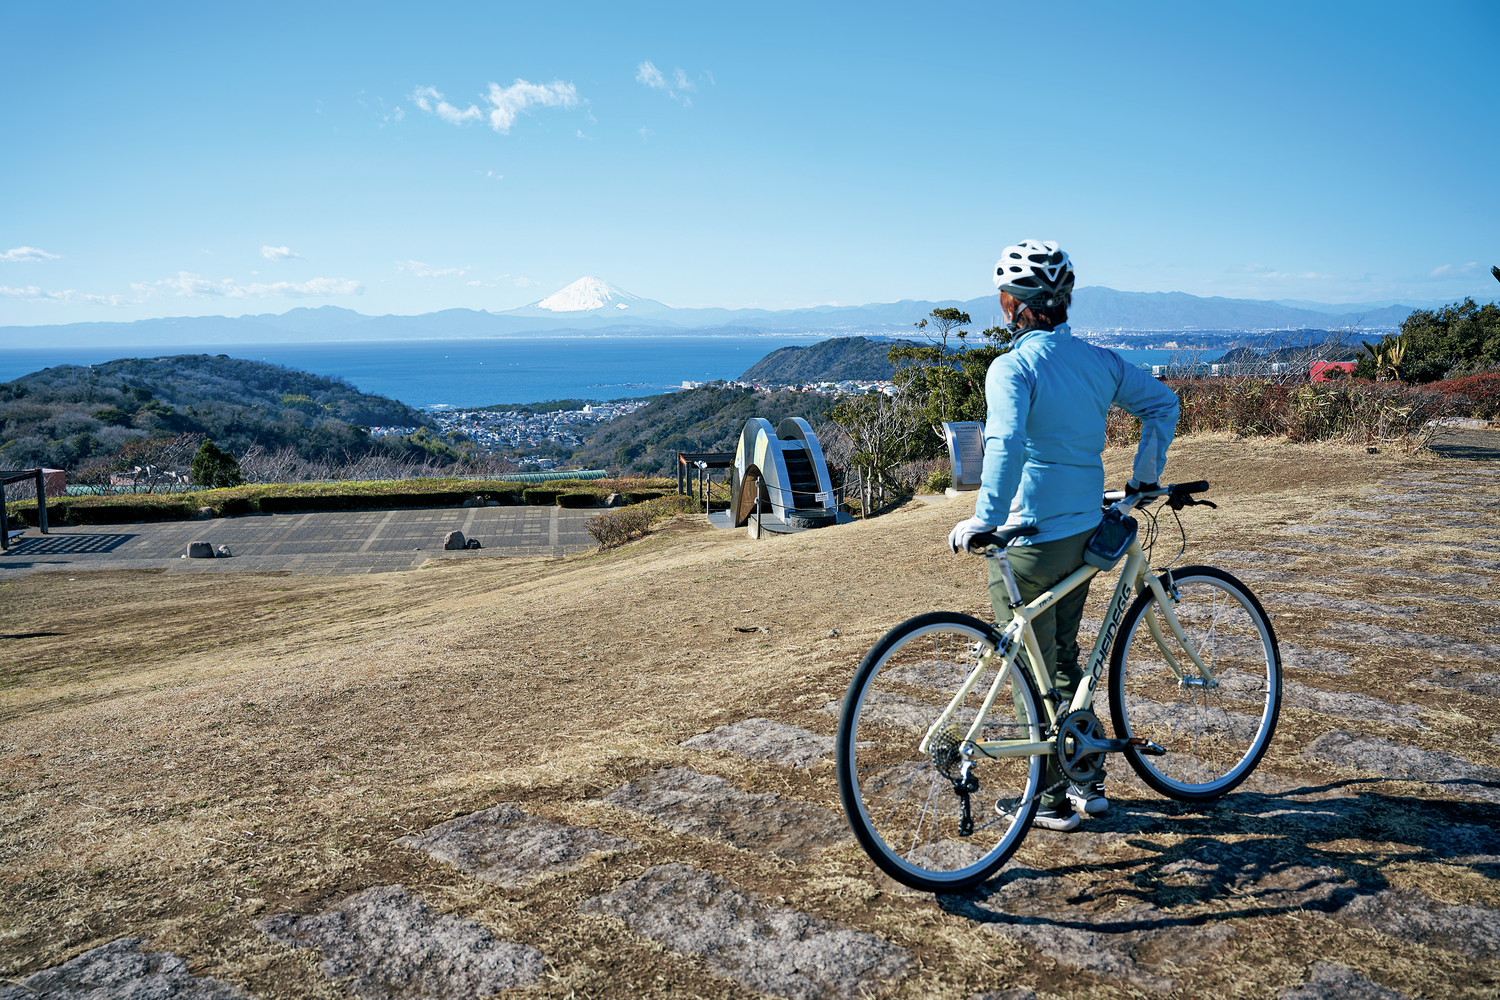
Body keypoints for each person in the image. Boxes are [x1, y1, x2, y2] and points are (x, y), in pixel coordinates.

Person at [947, 240, 1180, 832]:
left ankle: (1051, 801)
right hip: (1083, 532)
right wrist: (1144, 478)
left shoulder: (1013, 368)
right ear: (1067, 299)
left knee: (1029, 668)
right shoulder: (1100, 362)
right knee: (1064, 655)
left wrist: (986, 518)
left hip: (1026, 538)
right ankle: (1086, 783)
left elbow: (1004, 443)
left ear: (1008, 305)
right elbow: (1163, 404)